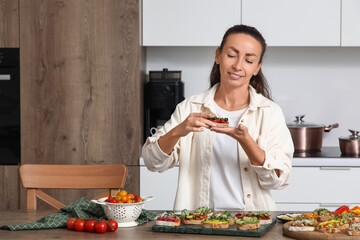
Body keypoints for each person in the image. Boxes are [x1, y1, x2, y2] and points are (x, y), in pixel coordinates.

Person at [142, 24, 294, 211]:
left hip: (253, 224)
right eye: (231, 55)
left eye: (249, 60)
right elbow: (152, 162)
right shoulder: (190, 107)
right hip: (197, 223)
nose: (238, 66)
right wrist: (178, 131)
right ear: (218, 56)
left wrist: (246, 141)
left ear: (257, 67)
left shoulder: (269, 112)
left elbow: (278, 179)